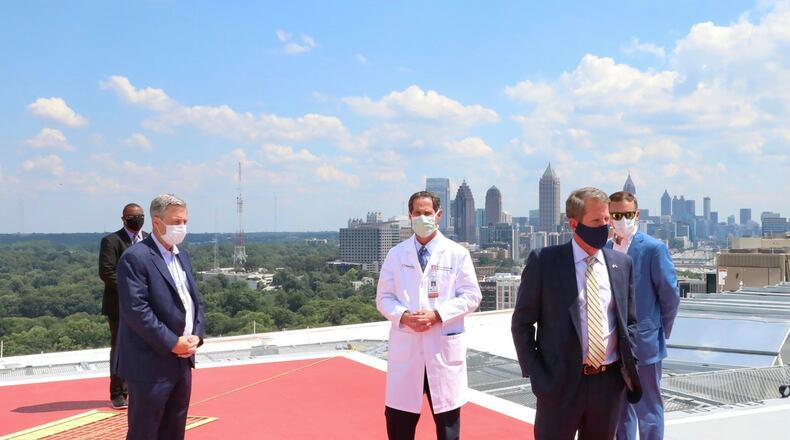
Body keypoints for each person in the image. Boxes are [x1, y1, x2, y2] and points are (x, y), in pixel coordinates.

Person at [511, 187, 642, 440]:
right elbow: (522, 323)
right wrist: (537, 374)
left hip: (608, 384)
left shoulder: (621, 264)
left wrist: (628, 363)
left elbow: (630, 322)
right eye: (596, 221)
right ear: (574, 224)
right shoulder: (545, 262)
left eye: (607, 220)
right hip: (559, 384)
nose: (605, 227)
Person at [376, 190, 482, 440]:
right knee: (399, 426)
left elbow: (471, 296)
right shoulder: (396, 254)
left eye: (427, 213)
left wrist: (438, 314)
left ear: (438, 215)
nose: (422, 217)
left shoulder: (457, 253)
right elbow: (383, 298)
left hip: (442, 349)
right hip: (407, 350)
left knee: (448, 430)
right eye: (417, 213)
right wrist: (403, 316)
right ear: (409, 216)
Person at [116, 194, 205, 440]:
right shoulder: (136, 258)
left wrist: (196, 334)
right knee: (145, 431)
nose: (182, 227)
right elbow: (137, 311)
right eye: (177, 221)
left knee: (174, 429)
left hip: (182, 361)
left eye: (185, 221)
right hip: (150, 364)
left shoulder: (182, 255)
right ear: (157, 222)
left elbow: (194, 301)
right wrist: (172, 342)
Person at [608, 191, 679, 440]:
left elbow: (670, 296)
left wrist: (659, 332)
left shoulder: (653, 248)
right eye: (616, 215)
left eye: (627, 214)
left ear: (636, 215)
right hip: (612, 346)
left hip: (645, 345)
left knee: (648, 409)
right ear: (609, 217)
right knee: (619, 412)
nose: (622, 220)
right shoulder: (604, 249)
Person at [98, 203, 148, 409]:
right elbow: (106, 272)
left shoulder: (149, 239)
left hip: (146, 306)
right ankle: (118, 393)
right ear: (124, 218)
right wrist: (132, 292)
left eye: (140, 216)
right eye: (132, 216)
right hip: (120, 306)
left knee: (146, 347)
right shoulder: (112, 241)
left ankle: (142, 389)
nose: (137, 219)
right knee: (120, 349)